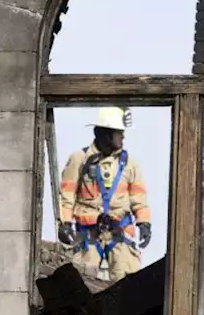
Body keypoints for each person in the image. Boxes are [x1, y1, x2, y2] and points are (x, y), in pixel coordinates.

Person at [57, 107, 152, 281]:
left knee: (131, 286)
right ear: (106, 134)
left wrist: (144, 223)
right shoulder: (80, 158)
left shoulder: (130, 163)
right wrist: (64, 223)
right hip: (88, 235)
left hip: (120, 233)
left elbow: (139, 199)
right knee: (81, 284)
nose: (123, 137)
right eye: (119, 133)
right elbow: (66, 195)